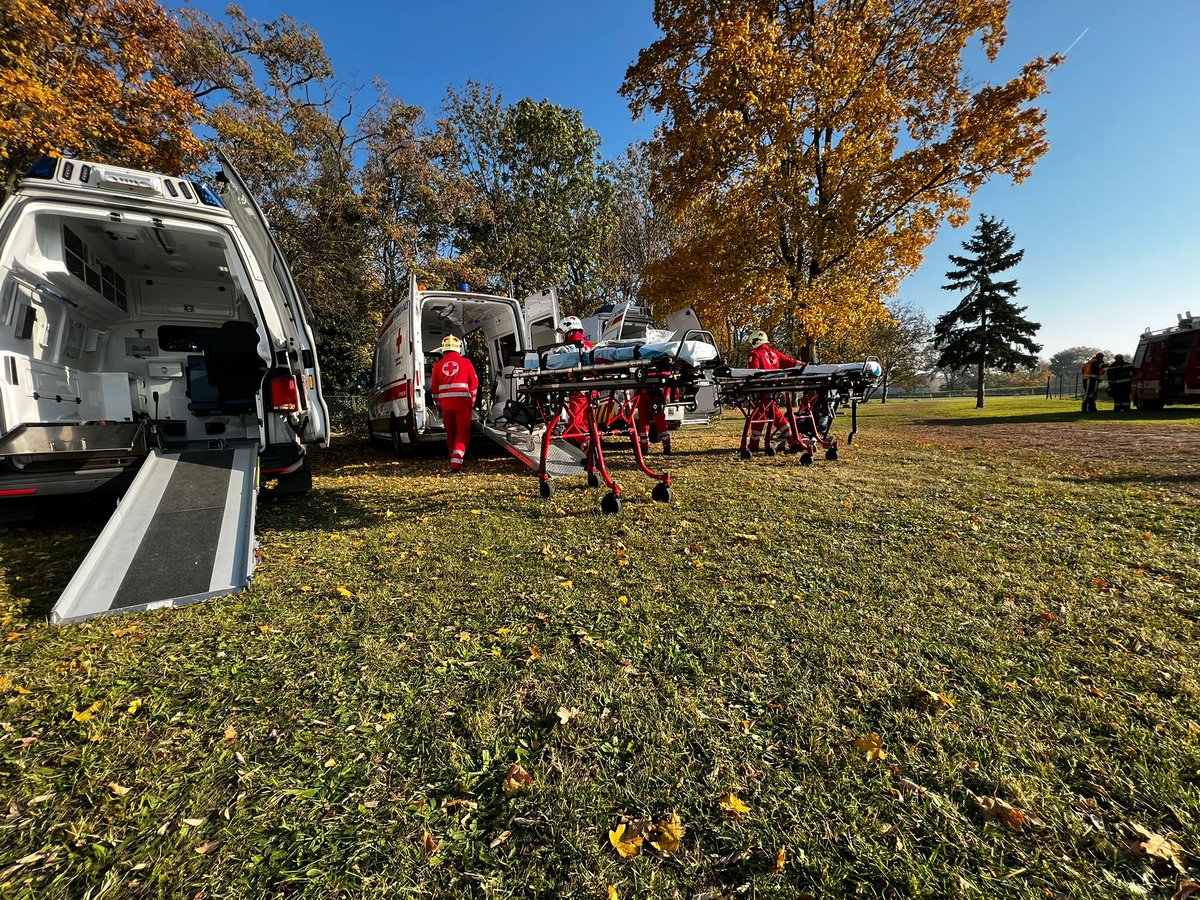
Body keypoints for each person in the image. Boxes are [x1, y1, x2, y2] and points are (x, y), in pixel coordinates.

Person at [747, 330, 802, 453]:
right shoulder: (775, 354)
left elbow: (753, 373)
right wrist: (808, 366)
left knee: (762, 415)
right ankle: (792, 440)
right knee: (770, 415)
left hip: (762, 391)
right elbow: (792, 362)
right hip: (774, 391)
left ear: (754, 341)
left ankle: (792, 440)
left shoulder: (755, 354)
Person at [429, 335, 478, 473]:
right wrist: (472, 402)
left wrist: (439, 407)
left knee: (451, 433)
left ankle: (454, 458)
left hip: (446, 405)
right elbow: (474, 383)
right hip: (463, 403)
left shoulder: (437, 366)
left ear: (443, 349)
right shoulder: (466, 362)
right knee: (463, 432)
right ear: (458, 349)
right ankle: (457, 461)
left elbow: (434, 389)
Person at [559, 316, 594, 440]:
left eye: (563, 334)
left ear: (569, 332)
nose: (562, 337)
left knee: (578, 423)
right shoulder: (589, 345)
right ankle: (590, 446)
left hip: (578, 389)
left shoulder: (569, 347)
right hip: (592, 388)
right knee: (590, 421)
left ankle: (582, 444)